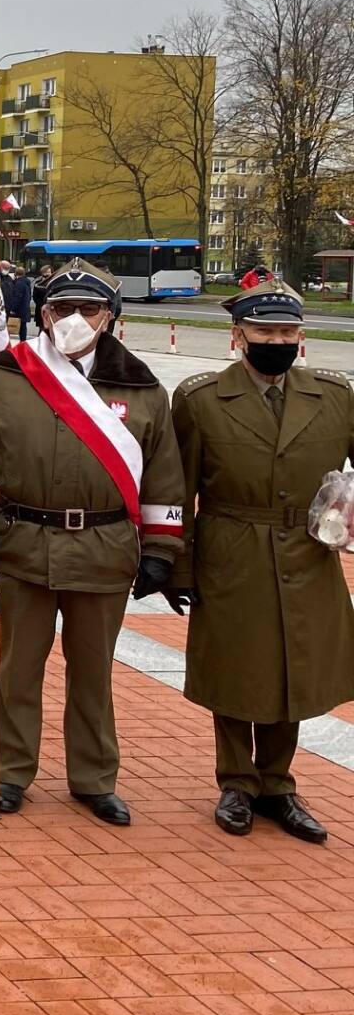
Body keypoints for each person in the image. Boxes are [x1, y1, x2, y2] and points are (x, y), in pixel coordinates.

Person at [0, 259, 184, 825]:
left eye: (87, 310)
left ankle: (94, 779)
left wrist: (162, 551)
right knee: (18, 669)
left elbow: (165, 475)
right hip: (25, 543)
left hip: (104, 548)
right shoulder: (3, 375)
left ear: (109, 318)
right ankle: (12, 771)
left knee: (93, 673)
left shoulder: (142, 387)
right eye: (60, 309)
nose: (73, 319)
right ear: (42, 315)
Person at [173, 280, 354, 842]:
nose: (276, 340)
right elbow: (177, 490)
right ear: (238, 335)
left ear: (300, 337)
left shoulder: (335, 394)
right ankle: (236, 784)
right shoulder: (200, 399)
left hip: (307, 550)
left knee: (293, 668)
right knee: (234, 667)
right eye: (264, 331)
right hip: (232, 546)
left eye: (286, 332)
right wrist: (175, 565)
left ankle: (277, 783)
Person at [3, 264, 33, 341]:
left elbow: (17, 297)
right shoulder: (26, 282)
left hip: (19, 309)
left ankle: (22, 342)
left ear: (16, 273)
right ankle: (23, 341)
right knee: (23, 326)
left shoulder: (19, 283)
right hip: (25, 308)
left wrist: (13, 309)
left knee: (19, 327)